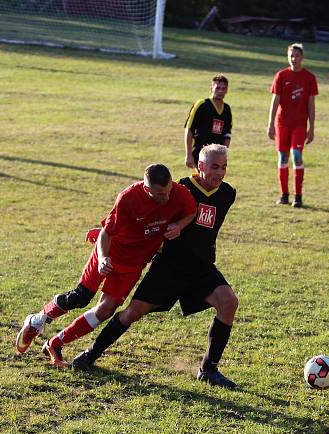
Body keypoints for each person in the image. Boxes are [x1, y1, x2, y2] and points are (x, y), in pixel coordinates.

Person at [72, 144, 239, 389]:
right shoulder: (179, 189)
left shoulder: (227, 194)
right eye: (214, 167)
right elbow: (146, 217)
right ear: (200, 166)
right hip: (169, 266)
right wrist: (113, 235)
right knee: (132, 313)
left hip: (201, 267)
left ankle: (208, 369)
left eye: (224, 167)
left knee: (229, 302)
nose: (220, 172)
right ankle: (91, 354)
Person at [15, 164, 197, 368]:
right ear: (146, 188)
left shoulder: (179, 194)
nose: (165, 198)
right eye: (159, 194)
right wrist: (102, 259)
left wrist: (179, 226)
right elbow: (105, 233)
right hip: (110, 253)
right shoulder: (129, 197)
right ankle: (38, 320)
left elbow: (191, 211)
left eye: (168, 192)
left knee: (105, 311)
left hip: (133, 263)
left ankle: (55, 344)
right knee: (81, 297)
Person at [267, 43, 318, 208]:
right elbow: (274, 102)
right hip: (282, 124)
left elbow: (311, 104)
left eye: (296, 56)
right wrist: (270, 124)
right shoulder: (281, 76)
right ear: (287, 57)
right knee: (283, 158)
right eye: (291, 56)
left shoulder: (309, 78)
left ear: (302, 57)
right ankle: (284, 195)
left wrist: (312, 128)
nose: (294, 59)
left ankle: (298, 196)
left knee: (297, 156)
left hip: (300, 125)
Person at [185, 75, 232, 172]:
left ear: (227, 90)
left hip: (217, 155)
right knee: (203, 179)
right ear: (211, 88)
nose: (220, 91)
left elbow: (227, 134)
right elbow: (189, 129)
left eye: (223, 88)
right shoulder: (202, 104)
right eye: (217, 88)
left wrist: (224, 153)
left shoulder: (227, 109)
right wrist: (188, 154)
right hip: (200, 152)